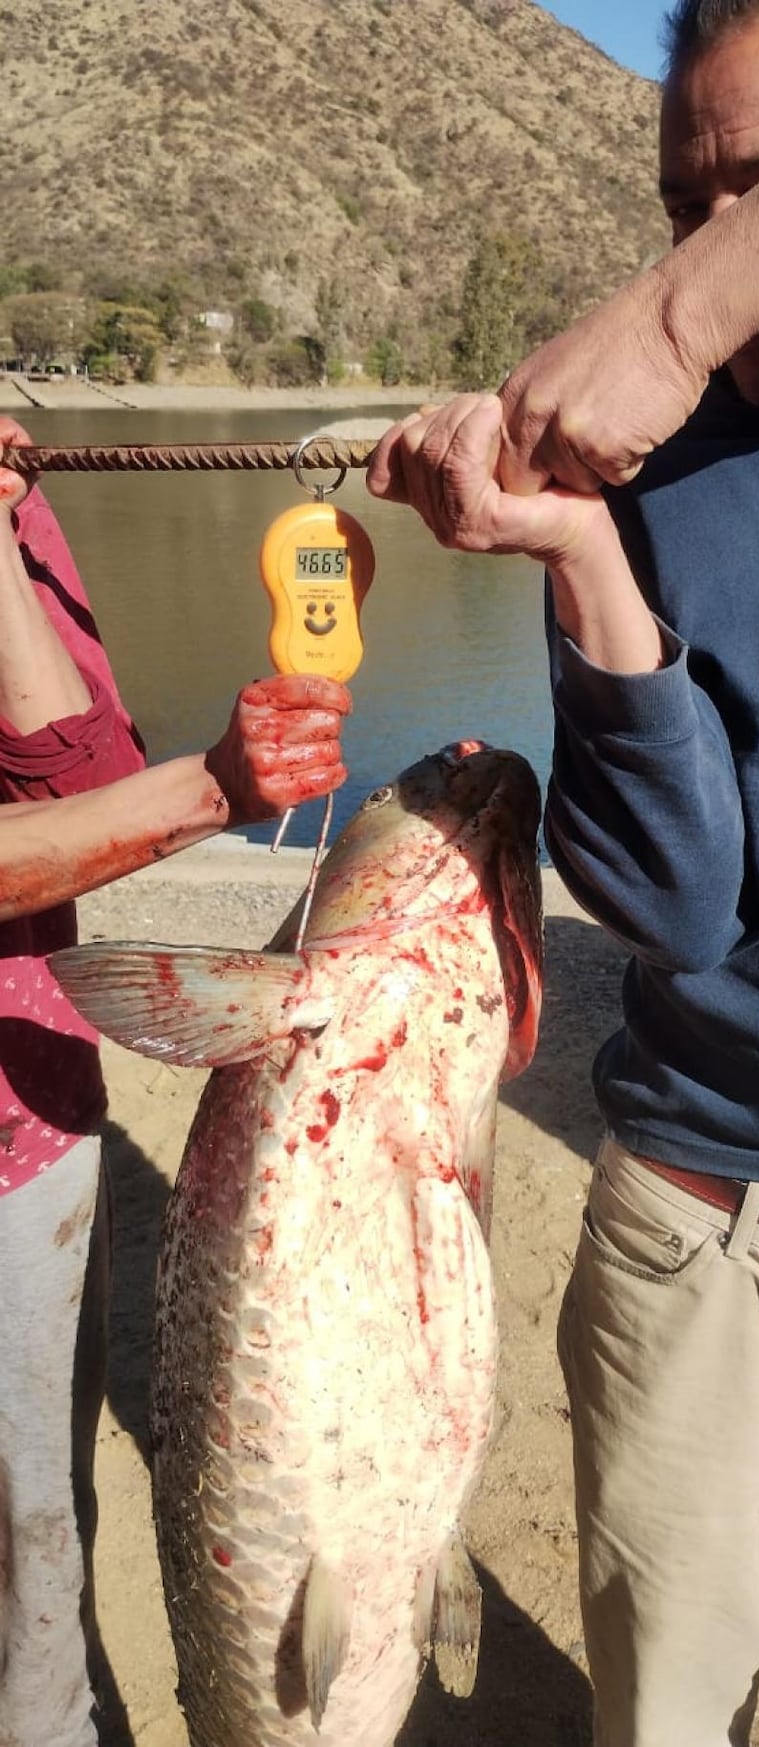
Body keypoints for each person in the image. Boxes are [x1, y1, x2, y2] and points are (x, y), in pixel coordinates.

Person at [368, 3, 759, 1742]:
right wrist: (591, 566)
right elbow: (676, 909)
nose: (712, 243)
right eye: (687, 204)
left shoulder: (670, 341)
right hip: (706, 1209)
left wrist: (682, 308)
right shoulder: (649, 470)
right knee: (664, 1698)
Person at [0, 416, 351, 1747]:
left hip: (26, 1125)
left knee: (38, 1549)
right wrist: (206, 793)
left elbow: (76, 779)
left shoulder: (23, 520)